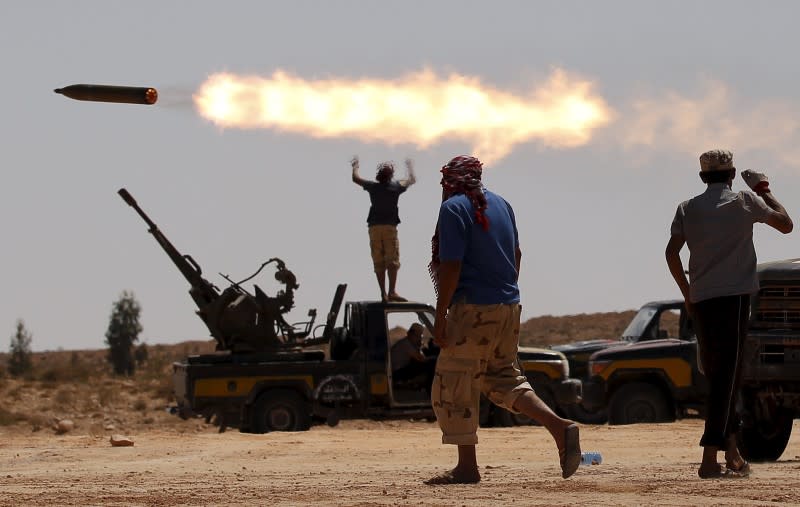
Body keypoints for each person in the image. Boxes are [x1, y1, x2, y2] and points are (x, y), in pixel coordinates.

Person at [426, 155, 581, 485]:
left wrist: (441, 316)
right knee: (502, 379)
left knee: (454, 384)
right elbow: (518, 255)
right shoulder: (502, 204)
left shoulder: (453, 208)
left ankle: (467, 468)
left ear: (450, 181)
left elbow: (450, 266)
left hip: (472, 309)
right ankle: (560, 427)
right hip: (508, 306)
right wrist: (504, 292)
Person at [665, 149, 793, 479]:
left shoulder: (687, 208)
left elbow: (671, 252)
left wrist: (687, 293)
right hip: (734, 299)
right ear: (733, 174)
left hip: (703, 300)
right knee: (727, 377)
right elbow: (786, 225)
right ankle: (710, 457)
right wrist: (763, 189)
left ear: (702, 177)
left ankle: (733, 454)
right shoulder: (744, 202)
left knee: (724, 376)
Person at [351, 156, 416, 302]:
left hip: (374, 228)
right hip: (388, 228)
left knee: (379, 261)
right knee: (392, 261)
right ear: (391, 175)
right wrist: (409, 167)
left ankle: (384, 294)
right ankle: (391, 292)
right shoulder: (396, 187)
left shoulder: (373, 187)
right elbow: (411, 180)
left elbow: (356, 179)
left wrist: (355, 166)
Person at [391, 323, 436, 387]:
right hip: (398, 372)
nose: (419, 338)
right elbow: (421, 359)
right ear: (411, 334)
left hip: (398, 370)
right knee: (429, 364)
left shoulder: (407, 342)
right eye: (418, 336)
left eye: (420, 336)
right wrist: (433, 358)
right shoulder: (406, 344)